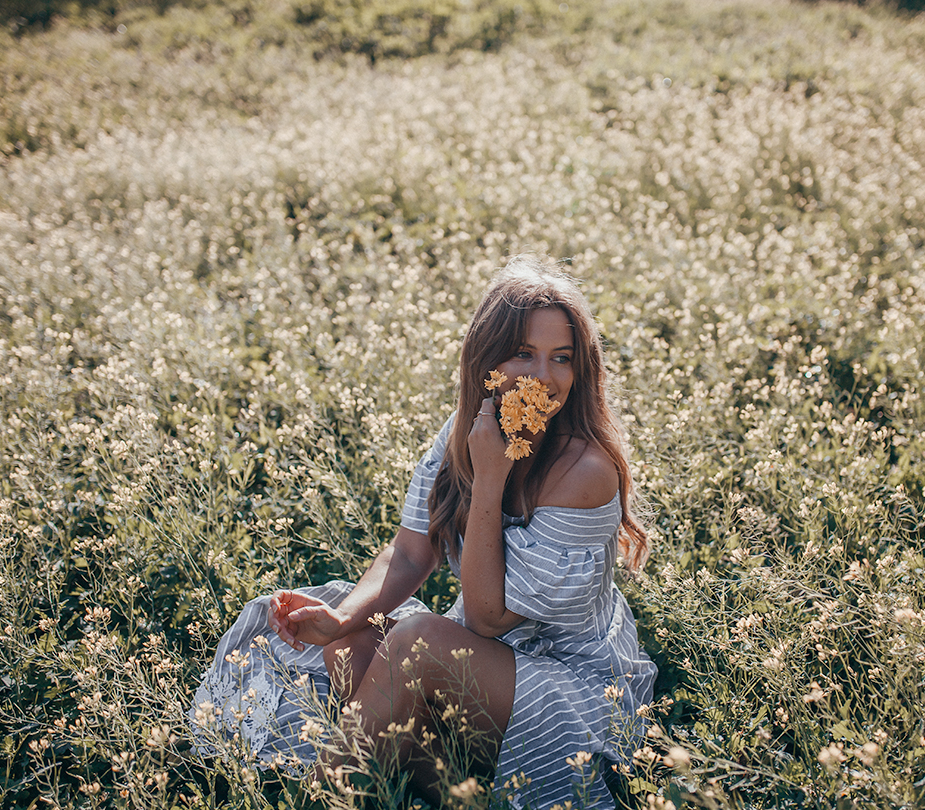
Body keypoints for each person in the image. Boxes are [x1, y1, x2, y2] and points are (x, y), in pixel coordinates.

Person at [190, 256, 657, 809]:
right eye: (524, 353)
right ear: (486, 362)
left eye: (562, 359)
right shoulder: (469, 428)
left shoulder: (586, 471)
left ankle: (322, 797)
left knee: (416, 642)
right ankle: (452, 793)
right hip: (482, 661)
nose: (544, 378)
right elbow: (412, 552)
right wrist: (344, 618)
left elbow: (488, 618)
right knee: (353, 637)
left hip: (570, 688)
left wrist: (491, 477)